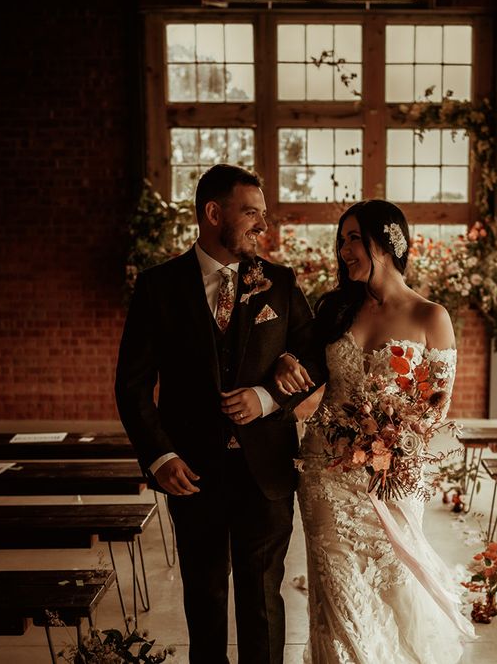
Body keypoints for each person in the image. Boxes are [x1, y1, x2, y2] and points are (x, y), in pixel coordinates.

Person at [115, 163, 323, 664]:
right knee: (204, 597)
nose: (262, 225)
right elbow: (133, 384)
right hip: (192, 470)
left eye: (264, 214)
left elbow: (314, 359)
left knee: (262, 601)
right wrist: (160, 456)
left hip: (266, 469)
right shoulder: (158, 288)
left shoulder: (279, 282)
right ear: (213, 213)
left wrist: (268, 397)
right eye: (250, 212)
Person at [275, 199, 474, 663]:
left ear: (387, 242)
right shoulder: (334, 310)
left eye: (353, 238)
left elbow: (434, 412)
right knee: (339, 597)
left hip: (392, 480)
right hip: (326, 473)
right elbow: (298, 364)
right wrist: (285, 361)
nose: (344, 250)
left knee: (394, 589)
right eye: (340, 241)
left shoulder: (431, 317)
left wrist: (391, 441)